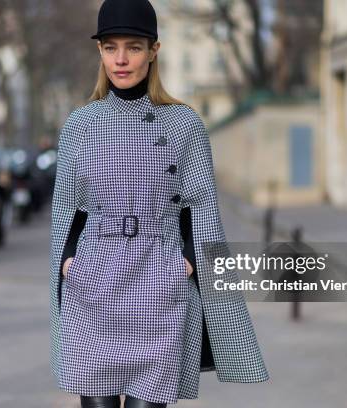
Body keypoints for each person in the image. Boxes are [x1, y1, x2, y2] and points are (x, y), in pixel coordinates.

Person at [49, 0, 269, 407]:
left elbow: (202, 208)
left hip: (158, 282)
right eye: (110, 47)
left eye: (133, 47)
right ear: (99, 51)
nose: (121, 59)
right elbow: (67, 211)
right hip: (92, 282)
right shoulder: (80, 125)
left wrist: (185, 261)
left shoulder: (183, 124)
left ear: (154, 50)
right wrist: (67, 266)